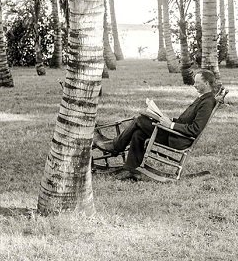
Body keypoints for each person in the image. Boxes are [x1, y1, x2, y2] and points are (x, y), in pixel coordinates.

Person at [94, 70, 225, 180]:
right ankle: (131, 169)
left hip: (179, 139)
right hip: (176, 133)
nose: (194, 85)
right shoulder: (204, 98)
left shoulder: (207, 102)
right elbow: (187, 120)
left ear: (206, 83)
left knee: (140, 120)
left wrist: (171, 125)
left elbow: (195, 129)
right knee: (139, 132)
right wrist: (168, 119)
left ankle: (114, 146)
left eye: (197, 82)